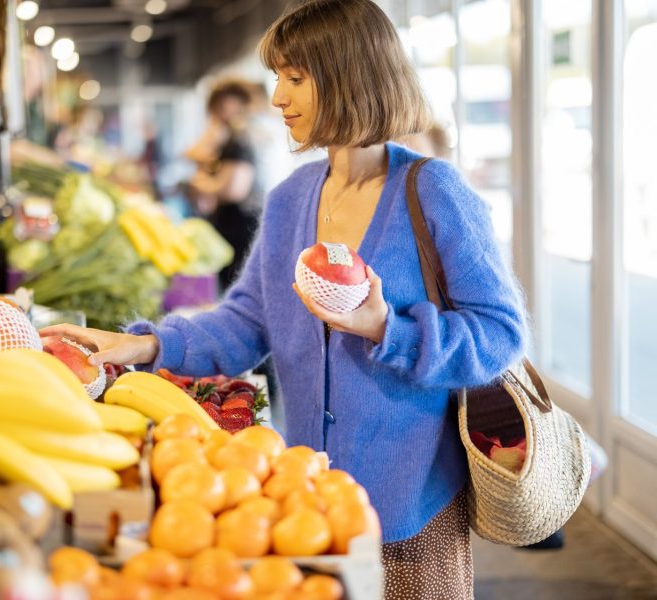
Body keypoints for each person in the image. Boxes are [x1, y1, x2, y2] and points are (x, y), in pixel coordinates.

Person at [42, 1, 527, 597]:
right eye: (277, 78)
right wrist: (144, 344)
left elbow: (500, 335)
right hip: (299, 504)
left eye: (295, 78)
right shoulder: (291, 199)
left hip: (409, 511)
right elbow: (249, 320)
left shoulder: (433, 192)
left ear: (350, 75)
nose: (276, 97)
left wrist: (385, 328)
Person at [184, 79, 262, 291]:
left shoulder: (239, 140)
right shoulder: (231, 137)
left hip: (239, 226)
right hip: (235, 223)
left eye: (223, 105)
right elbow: (193, 152)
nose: (219, 113)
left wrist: (200, 185)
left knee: (235, 288)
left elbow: (234, 191)